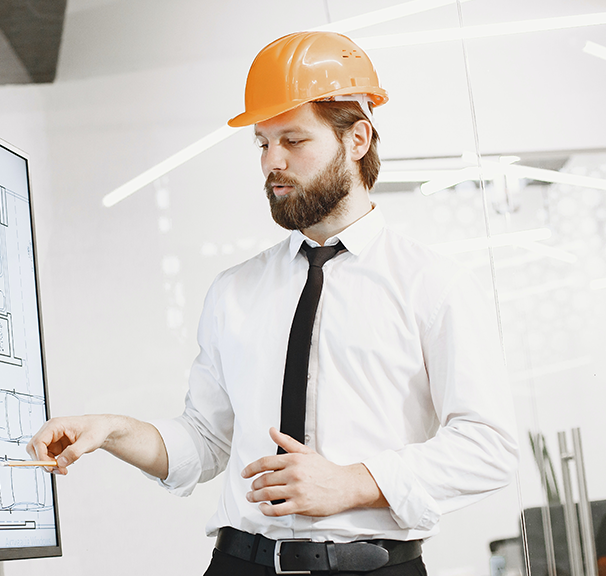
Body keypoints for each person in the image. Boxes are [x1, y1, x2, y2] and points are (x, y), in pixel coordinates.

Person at [27, 31, 518, 575]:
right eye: (262, 142)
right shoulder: (235, 290)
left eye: (293, 140)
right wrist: (113, 430)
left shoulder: (433, 284)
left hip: (374, 565)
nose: (271, 162)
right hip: (241, 562)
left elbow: (488, 445)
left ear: (357, 139)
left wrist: (356, 482)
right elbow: (207, 441)